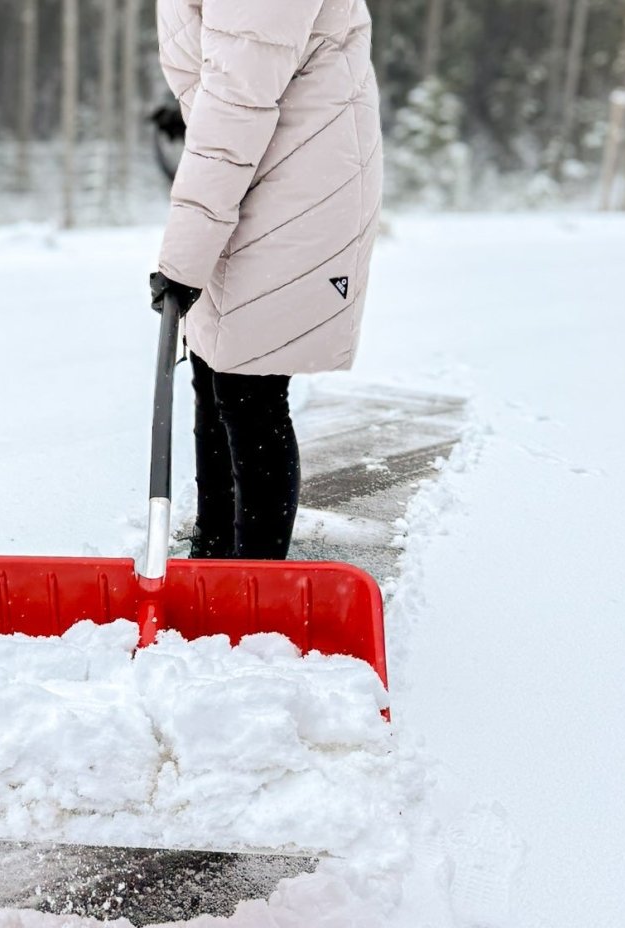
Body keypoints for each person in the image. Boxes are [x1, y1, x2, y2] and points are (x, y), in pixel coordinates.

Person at [150, 0, 382, 560]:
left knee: (248, 387)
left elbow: (237, 106)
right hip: (255, 175)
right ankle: (214, 556)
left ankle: (256, 578)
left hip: (296, 188)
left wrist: (184, 260)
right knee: (213, 369)